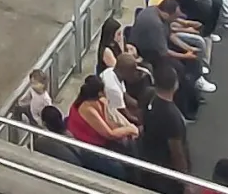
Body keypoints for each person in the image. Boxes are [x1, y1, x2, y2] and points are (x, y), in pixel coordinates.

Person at [139, 64, 190, 194]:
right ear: (175, 84)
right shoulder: (173, 117)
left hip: (146, 158)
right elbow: (177, 152)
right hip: (165, 173)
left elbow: (141, 118)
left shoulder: (148, 95)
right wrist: (184, 181)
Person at [65, 75, 139, 151]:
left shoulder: (100, 101)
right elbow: (110, 134)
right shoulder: (87, 109)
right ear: (100, 92)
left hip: (102, 139)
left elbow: (111, 122)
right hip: (90, 146)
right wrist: (130, 129)